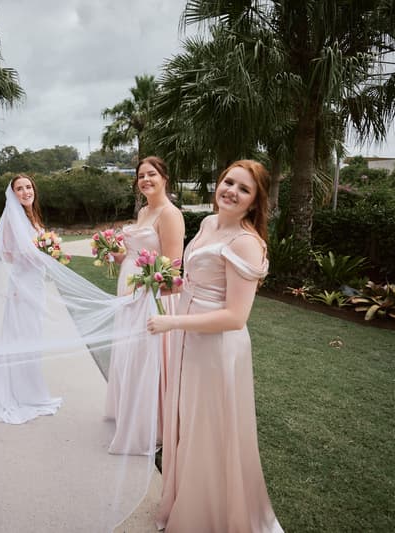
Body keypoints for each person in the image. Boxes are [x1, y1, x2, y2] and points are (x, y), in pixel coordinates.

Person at [148, 160, 283, 532]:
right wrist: (169, 285)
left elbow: (236, 317)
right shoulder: (208, 224)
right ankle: (184, 504)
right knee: (188, 423)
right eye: (228, 182)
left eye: (244, 189)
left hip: (217, 349)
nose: (231, 191)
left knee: (209, 430)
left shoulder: (246, 243)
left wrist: (173, 321)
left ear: (255, 202)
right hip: (189, 342)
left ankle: (206, 518)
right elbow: (194, 278)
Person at [105, 156, 185, 454]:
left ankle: (156, 423)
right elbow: (134, 254)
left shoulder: (170, 214)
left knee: (152, 358)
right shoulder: (143, 212)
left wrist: (144, 288)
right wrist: (114, 254)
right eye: (141, 175)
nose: (145, 179)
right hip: (129, 292)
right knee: (132, 354)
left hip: (153, 297)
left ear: (165, 178)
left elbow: (174, 270)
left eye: (152, 174)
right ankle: (133, 413)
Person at [0, 174, 63, 423]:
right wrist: (34, 256)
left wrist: (45, 252)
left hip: (34, 284)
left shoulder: (31, 217)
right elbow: (6, 253)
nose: (26, 192)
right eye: (20, 188)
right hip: (21, 287)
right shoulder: (11, 219)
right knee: (21, 338)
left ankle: (29, 389)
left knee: (32, 338)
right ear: (12, 194)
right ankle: (20, 393)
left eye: (28, 187)